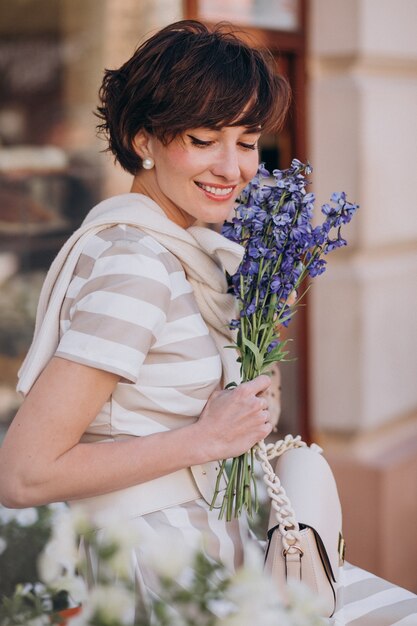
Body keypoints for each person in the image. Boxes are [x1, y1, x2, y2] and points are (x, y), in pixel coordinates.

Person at [0, 19, 290, 599]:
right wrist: (205, 441)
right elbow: (24, 473)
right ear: (143, 141)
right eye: (204, 140)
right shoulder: (138, 263)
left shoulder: (185, 253)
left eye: (247, 141)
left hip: (203, 554)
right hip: (158, 571)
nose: (232, 169)